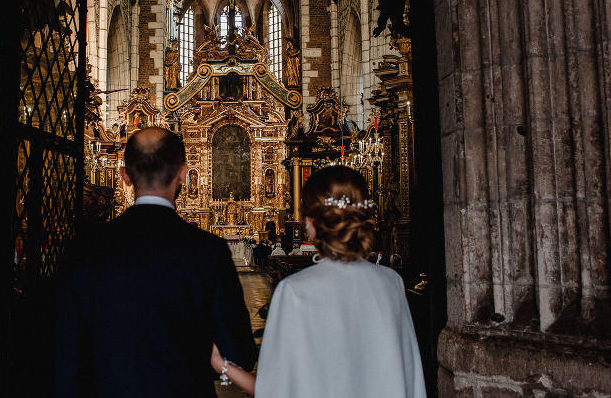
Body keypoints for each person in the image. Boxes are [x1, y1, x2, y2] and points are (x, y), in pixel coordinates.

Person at [56, 127, 257, 397]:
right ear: (184, 173)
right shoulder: (209, 251)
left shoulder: (85, 249)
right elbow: (238, 352)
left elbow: (66, 352)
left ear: (125, 176)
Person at [211, 165, 426, 398]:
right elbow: (411, 375)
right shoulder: (391, 282)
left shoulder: (295, 290)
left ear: (310, 223)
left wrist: (220, 364)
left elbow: (272, 390)